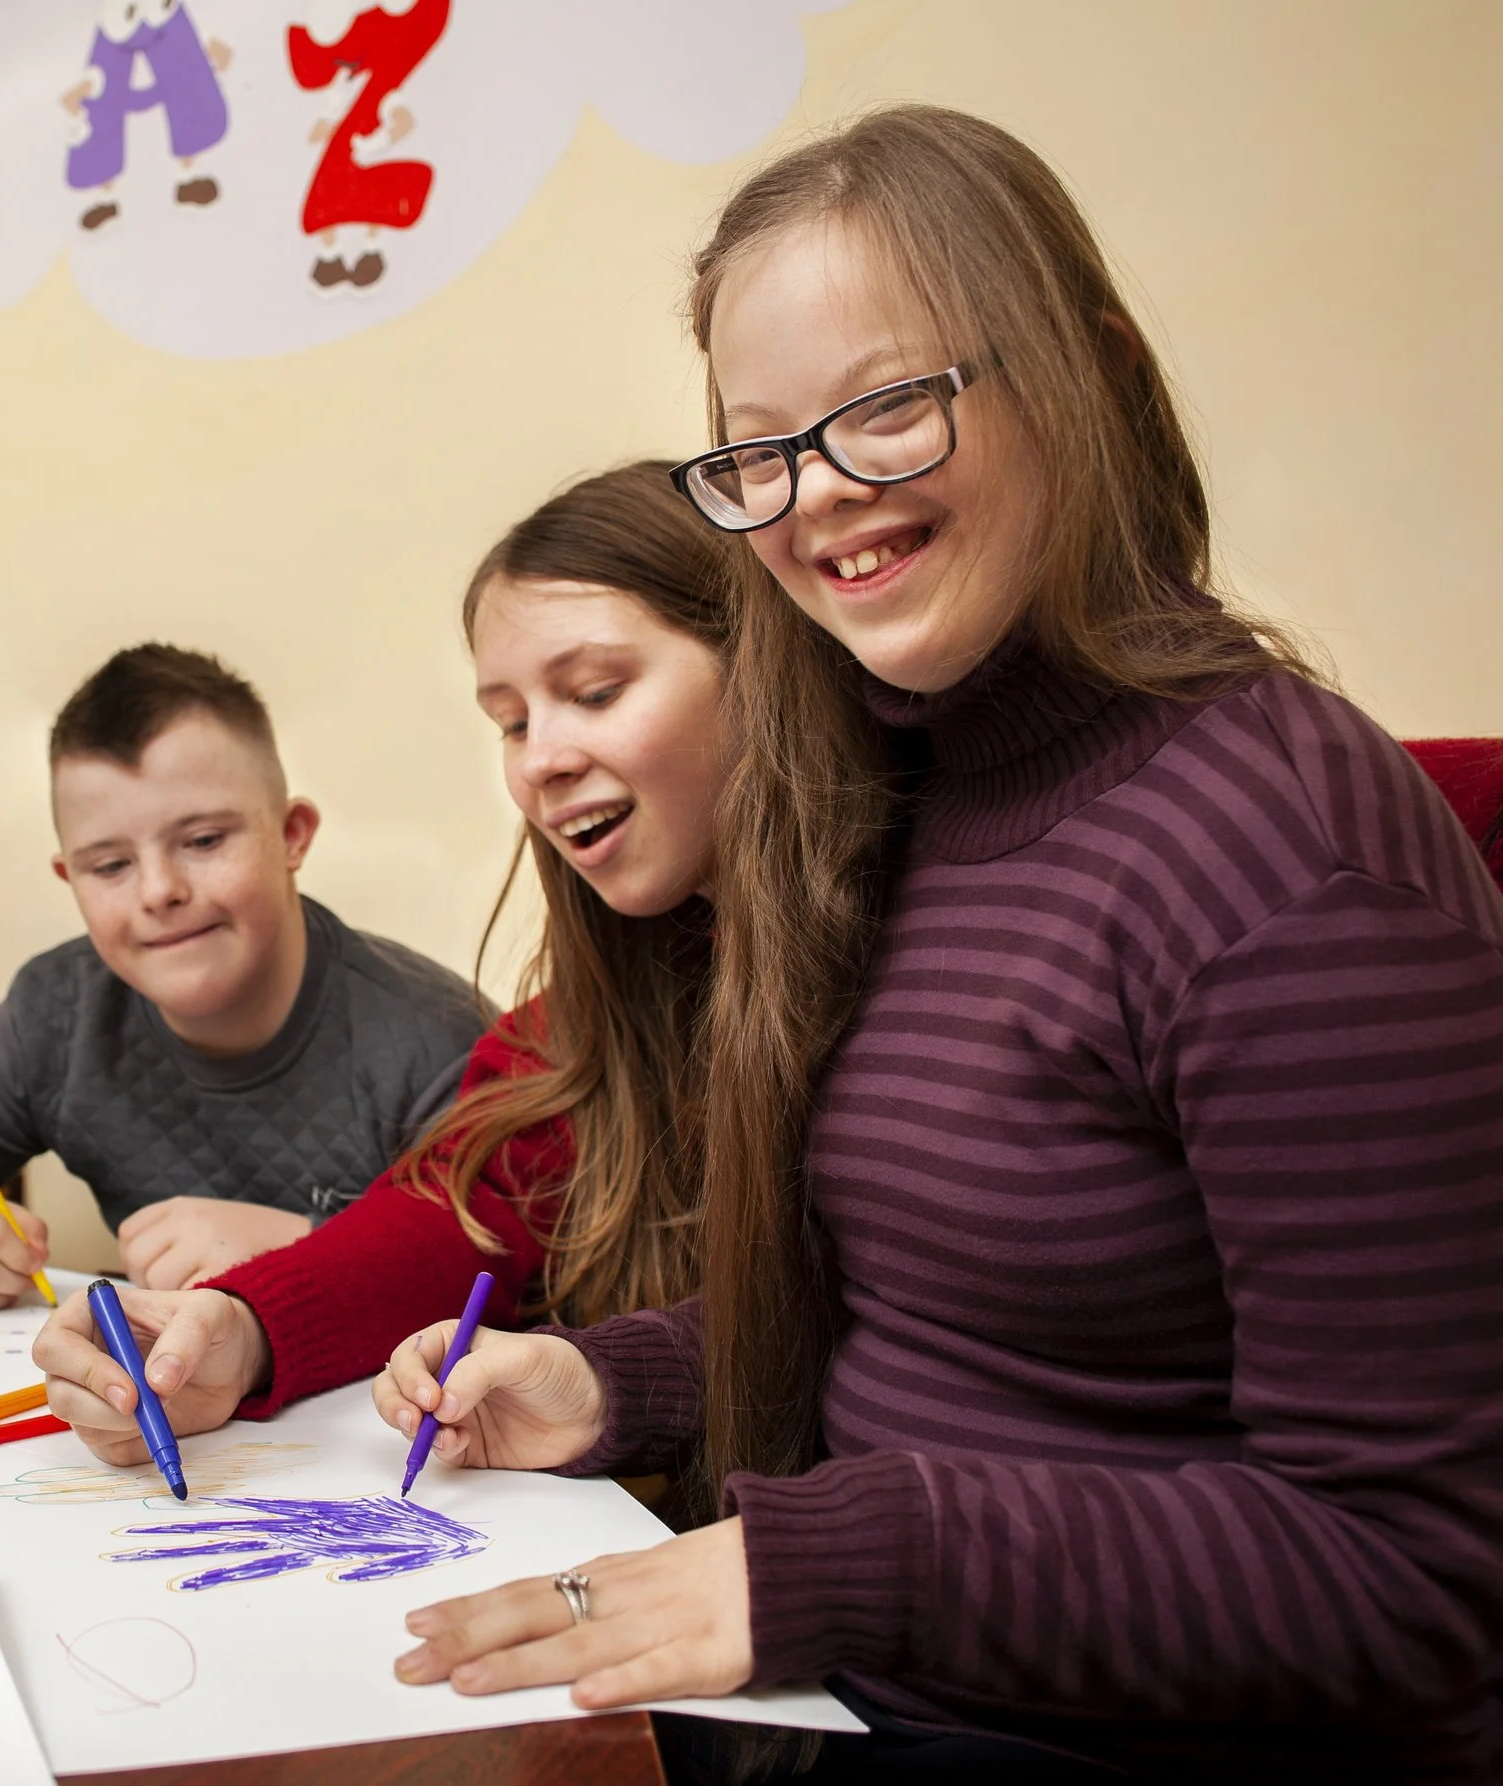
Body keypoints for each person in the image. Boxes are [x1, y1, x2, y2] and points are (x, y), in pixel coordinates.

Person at [381, 106, 1503, 1783]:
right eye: (760, 448)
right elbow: (933, 1323)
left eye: (890, 406)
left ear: (1093, 374)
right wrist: (607, 1384)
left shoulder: (1290, 844)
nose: (820, 495)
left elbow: (1425, 1581)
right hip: (870, 1690)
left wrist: (853, 1561)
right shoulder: (879, 795)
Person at [32, 468, 742, 1491]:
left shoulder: (918, 970)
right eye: (509, 719)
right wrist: (240, 1330)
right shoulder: (592, 1012)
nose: (537, 759)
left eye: (592, 692)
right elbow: (462, 1205)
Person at [0, 643, 482, 1313]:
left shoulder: (440, 1041)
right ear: (69, 878)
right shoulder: (58, 1011)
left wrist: (312, 1253)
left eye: (203, 841)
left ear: (292, 836)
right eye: (110, 867)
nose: (160, 891)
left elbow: (534, 1272)